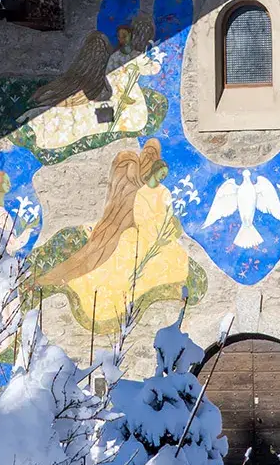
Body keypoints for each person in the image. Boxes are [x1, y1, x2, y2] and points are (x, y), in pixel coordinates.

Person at [34, 139, 186, 332]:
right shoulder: (140, 190)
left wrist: (167, 226)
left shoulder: (163, 191)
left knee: (175, 257)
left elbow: (166, 212)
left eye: (165, 175)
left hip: (156, 231)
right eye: (161, 173)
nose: (162, 177)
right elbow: (139, 214)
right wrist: (150, 228)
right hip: (141, 230)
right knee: (125, 252)